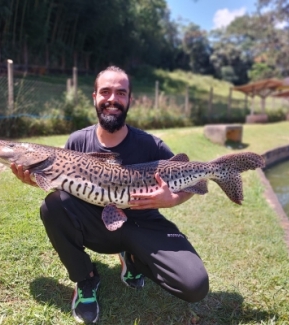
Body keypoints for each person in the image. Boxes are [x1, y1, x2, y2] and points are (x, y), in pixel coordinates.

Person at [11, 66, 209, 324]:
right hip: (100, 225)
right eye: (105, 92)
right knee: (52, 206)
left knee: (194, 284)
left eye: (121, 93)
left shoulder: (151, 145)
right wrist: (37, 180)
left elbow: (192, 181)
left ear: (129, 100)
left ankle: (134, 260)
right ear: (94, 97)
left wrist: (172, 199)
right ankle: (86, 278)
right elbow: (64, 190)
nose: (112, 99)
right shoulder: (77, 142)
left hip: (145, 223)